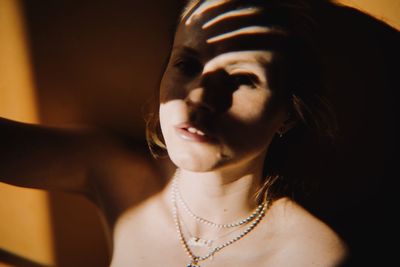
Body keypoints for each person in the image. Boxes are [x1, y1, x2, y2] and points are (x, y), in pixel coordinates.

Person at [1, 0, 349, 266]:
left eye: (242, 79)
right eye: (187, 64)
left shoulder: (310, 254)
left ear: (287, 115)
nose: (198, 96)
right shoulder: (118, 175)